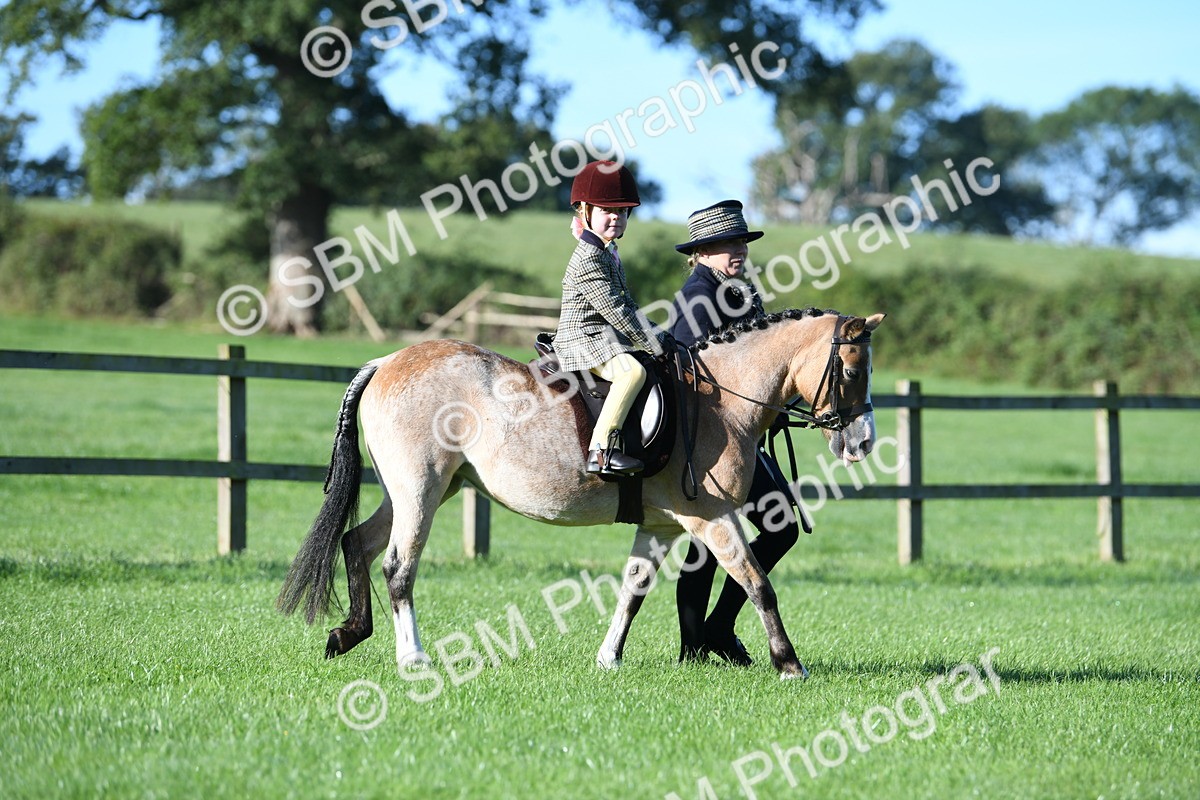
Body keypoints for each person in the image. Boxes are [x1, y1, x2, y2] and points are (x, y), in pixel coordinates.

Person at [669, 199, 804, 666]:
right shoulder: (695, 297)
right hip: (705, 439)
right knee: (709, 542)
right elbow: (698, 367)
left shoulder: (740, 293)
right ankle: (696, 644)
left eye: (741, 242)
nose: (737, 251)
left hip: (739, 438)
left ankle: (716, 630)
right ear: (702, 252)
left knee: (778, 527)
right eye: (726, 244)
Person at [553, 160, 668, 477]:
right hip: (583, 341)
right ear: (585, 212)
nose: (616, 217)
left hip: (602, 340)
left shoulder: (607, 252)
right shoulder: (589, 258)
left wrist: (661, 334)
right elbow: (617, 311)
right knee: (631, 373)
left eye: (623, 211)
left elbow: (628, 304)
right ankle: (601, 451)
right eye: (607, 211)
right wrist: (656, 342)